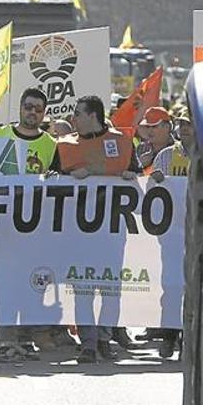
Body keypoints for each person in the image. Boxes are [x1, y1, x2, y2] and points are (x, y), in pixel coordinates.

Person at [59, 95, 137, 363]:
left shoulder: (123, 143)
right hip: (78, 234)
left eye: (78, 113)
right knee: (82, 290)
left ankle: (104, 338)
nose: (74, 118)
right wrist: (67, 177)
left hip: (112, 233)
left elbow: (138, 182)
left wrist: (130, 178)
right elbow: (48, 186)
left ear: (93, 115)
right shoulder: (66, 146)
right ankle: (88, 344)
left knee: (110, 289)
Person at [0, 87, 61, 363]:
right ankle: (6, 341)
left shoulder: (51, 145)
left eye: (38, 109)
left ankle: (24, 339)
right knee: (5, 283)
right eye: (28, 106)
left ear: (44, 113)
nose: (32, 112)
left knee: (32, 284)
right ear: (20, 108)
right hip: (3, 226)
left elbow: (58, 181)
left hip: (35, 228)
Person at [148, 108, 194, 358]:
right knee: (171, 285)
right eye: (182, 124)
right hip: (172, 234)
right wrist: (155, 179)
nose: (185, 128)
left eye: (189, 124)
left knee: (192, 286)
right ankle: (168, 335)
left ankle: (189, 338)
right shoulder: (166, 156)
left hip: (197, 232)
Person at [136, 106, 174, 174]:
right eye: (147, 126)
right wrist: (140, 165)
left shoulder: (178, 149)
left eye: (154, 126)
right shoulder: (141, 148)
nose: (149, 130)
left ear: (167, 127)